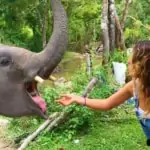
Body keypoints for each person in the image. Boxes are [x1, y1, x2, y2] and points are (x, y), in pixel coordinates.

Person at [56, 40, 150, 146]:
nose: (128, 61)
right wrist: (76, 98)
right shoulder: (133, 87)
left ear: (141, 64)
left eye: (132, 56)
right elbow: (107, 103)